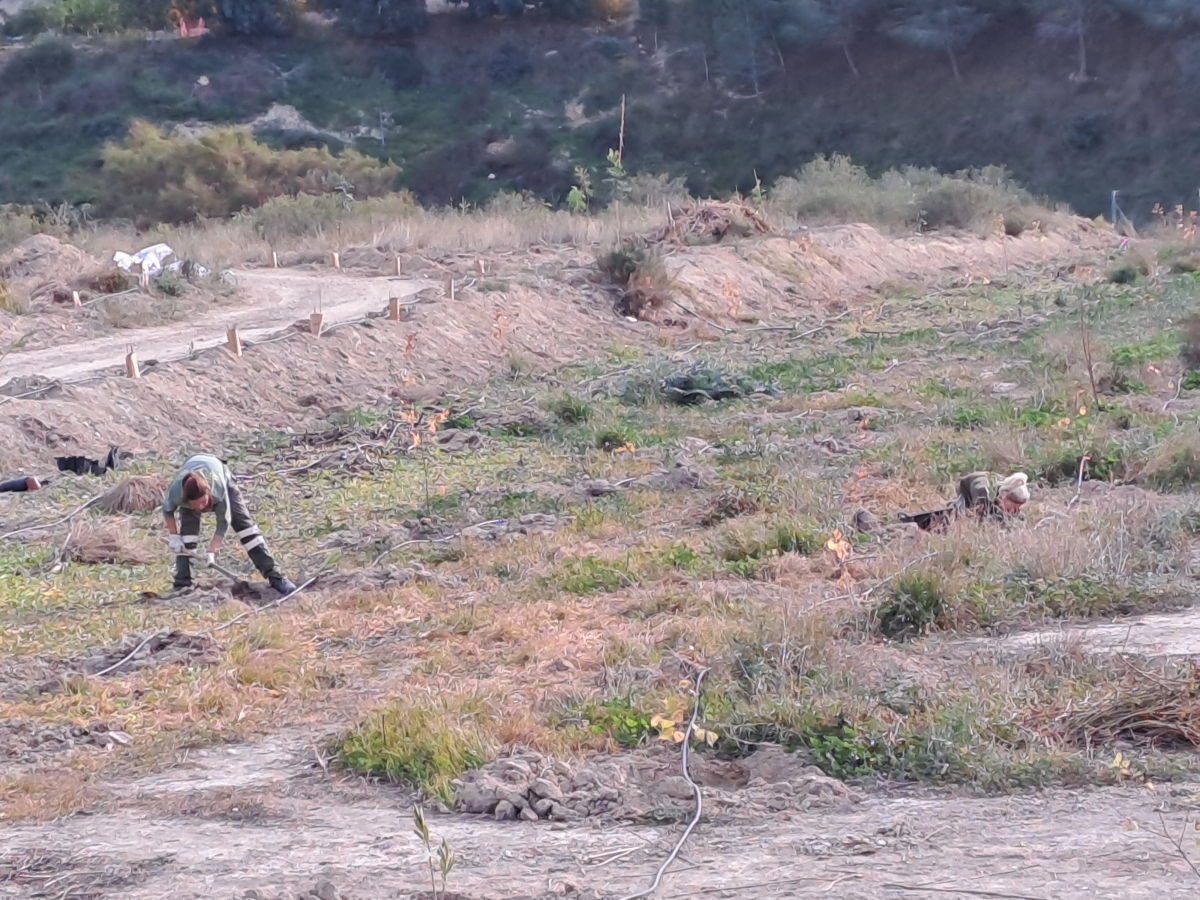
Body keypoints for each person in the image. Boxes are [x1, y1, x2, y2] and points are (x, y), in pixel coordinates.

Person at [162, 455, 297, 594]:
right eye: (197, 505)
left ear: (208, 493)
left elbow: (223, 522)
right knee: (186, 538)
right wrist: (174, 535)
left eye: (204, 503)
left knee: (246, 529)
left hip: (221, 474)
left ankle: (276, 577)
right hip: (191, 467)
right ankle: (182, 583)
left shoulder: (218, 490)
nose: (202, 508)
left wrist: (211, 552)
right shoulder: (176, 493)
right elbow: (167, 511)